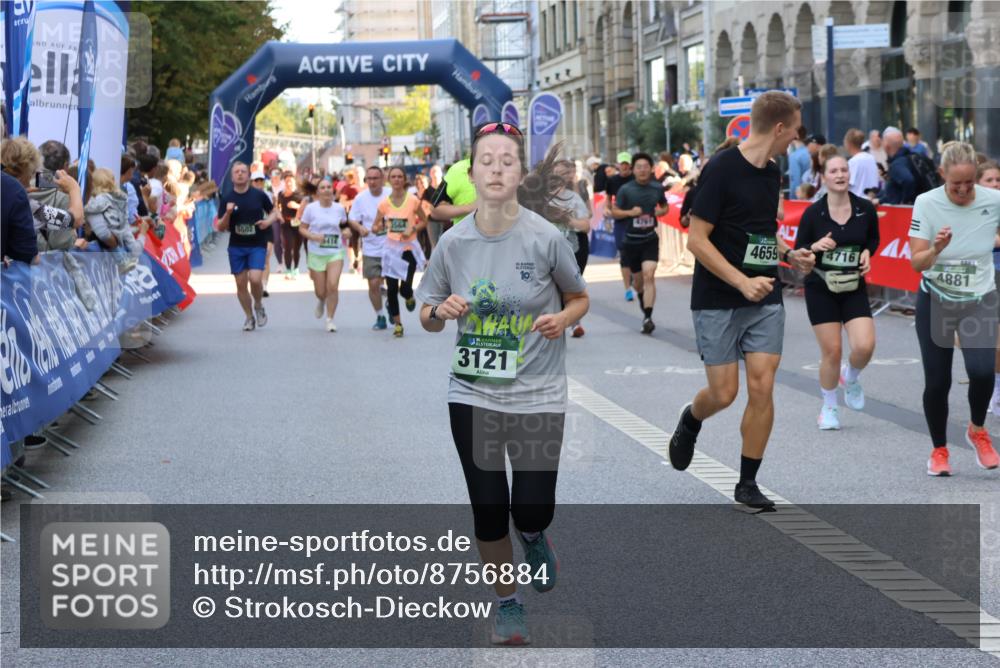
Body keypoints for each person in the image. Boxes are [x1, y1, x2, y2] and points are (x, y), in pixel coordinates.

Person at [415, 121, 589, 646]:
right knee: (488, 507)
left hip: (537, 392)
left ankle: (533, 534)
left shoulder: (545, 237)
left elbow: (578, 297)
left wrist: (564, 318)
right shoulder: (454, 243)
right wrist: (439, 311)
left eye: (506, 160)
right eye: (485, 160)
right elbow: (425, 312)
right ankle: (507, 603)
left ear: (519, 173)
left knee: (532, 507)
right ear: (472, 171)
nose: (495, 168)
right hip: (473, 392)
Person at [668, 91, 816, 511]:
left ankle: (747, 483)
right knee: (724, 393)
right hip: (718, 296)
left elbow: (761, 231)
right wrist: (739, 281)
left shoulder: (772, 172)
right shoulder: (721, 169)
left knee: (762, 384)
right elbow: (696, 240)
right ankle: (691, 419)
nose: (797, 139)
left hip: (765, 296)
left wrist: (789, 254)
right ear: (780, 127)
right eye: (796, 130)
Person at [910, 141, 1000, 475]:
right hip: (936, 298)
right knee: (937, 381)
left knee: (981, 371)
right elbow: (916, 263)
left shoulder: (993, 200)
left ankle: (977, 429)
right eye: (955, 184)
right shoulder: (926, 203)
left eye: (969, 182)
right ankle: (939, 450)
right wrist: (936, 248)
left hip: (979, 299)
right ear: (942, 174)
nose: (963, 190)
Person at [795, 153, 880, 430]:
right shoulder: (813, 213)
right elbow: (799, 253)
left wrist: (867, 252)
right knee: (832, 351)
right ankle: (829, 406)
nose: (841, 175)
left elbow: (872, 239)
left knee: (865, 346)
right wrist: (815, 247)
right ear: (824, 177)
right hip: (821, 287)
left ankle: (851, 377)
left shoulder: (865, 209)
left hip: (853, 286)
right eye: (834, 171)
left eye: (844, 170)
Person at [216, 162, 280, 331]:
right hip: (237, 246)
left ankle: (258, 304)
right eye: (236, 172)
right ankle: (249, 316)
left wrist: (267, 221)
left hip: (257, 243)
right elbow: (220, 227)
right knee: (241, 284)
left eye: (243, 171)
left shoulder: (258, 195)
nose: (240, 174)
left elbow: (275, 212)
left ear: (248, 175)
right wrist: (228, 213)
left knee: (256, 279)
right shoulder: (227, 198)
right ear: (232, 177)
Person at [610, 152, 669, 334]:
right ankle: (645, 311)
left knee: (649, 275)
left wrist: (659, 213)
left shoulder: (657, 188)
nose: (642, 170)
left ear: (651, 169)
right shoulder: (626, 190)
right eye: (639, 167)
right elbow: (615, 212)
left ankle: (649, 317)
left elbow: (664, 206)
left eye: (645, 167)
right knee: (638, 283)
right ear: (634, 170)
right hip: (631, 241)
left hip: (650, 238)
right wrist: (630, 213)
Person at [372, 166, 428, 338]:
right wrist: (378, 227)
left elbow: (424, 221)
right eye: (393, 177)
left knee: (404, 287)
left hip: (408, 248)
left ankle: (409, 295)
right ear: (389, 180)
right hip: (391, 250)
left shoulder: (412, 201)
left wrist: (412, 229)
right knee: (391, 289)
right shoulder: (384, 204)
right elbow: (375, 225)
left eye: (399, 177)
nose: (396, 179)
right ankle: (398, 324)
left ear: (404, 180)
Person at [300, 178, 349, 332]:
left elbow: (344, 226)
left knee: (333, 286)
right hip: (316, 252)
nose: (327, 190)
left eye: (329, 187)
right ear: (318, 192)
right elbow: (302, 228)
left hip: (335, 252)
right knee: (321, 291)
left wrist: (346, 232)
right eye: (323, 188)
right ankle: (321, 300)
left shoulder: (339, 208)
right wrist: (313, 236)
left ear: (332, 191)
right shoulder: (311, 209)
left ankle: (330, 319)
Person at [551, 158, 592, 337]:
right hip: (548, 251)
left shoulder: (574, 197)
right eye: (557, 173)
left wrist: (566, 219)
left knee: (571, 287)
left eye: (564, 173)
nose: (560, 177)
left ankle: (572, 322)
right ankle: (557, 321)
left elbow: (585, 225)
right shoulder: (538, 198)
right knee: (553, 288)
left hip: (574, 248)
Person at [346, 165, 390, 330]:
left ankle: (391, 304)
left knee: (391, 283)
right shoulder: (360, 198)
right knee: (373, 284)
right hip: (371, 247)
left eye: (375, 178)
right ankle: (380, 316)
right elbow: (352, 219)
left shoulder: (390, 195)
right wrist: (360, 228)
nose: (372, 182)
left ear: (382, 179)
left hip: (391, 247)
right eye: (369, 179)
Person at [84, 168, 144, 273]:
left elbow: (92, 208)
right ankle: (131, 258)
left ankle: (123, 262)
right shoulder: (120, 197)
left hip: (110, 230)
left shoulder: (101, 198)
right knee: (127, 244)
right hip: (121, 228)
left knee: (114, 248)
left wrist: (83, 207)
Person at [605, 152, 636, 301]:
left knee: (635, 253)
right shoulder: (612, 180)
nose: (624, 166)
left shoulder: (636, 178)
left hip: (635, 219)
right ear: (618, 164)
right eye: (621, 163)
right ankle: (627, 289)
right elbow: (608, 199)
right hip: (620, 220)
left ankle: (635, 277)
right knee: (624, 253)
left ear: (630, 164)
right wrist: (607, 210)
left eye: (626, 163)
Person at [1, 171, 39, 265]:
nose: (32, 177)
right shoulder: (15, 192)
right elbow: (69, 220)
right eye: (32, 172)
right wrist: (73, 190)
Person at [879, 127, 917, 205]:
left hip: (903, 212)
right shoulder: (911, 157)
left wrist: (905, 202)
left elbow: (908, 180)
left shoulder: (897, 164)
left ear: (886, 145)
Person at [276, 172, 303, 278]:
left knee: (296, 247)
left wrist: (296, 206)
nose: (288, 184)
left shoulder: (299, 195)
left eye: (290, 182)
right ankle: (288, 269)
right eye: (286, 182)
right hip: (286, 224)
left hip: (298, 223)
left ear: (294, 183)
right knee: (288, 246)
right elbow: (277, 207)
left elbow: (306, 208)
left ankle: (296, 269)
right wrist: (279, 216)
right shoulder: (281, 195)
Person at [844, 128, 880, 197]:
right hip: (869, 202)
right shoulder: (871, 158)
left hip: (856, 202)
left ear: (849, 143)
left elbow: (846, 185)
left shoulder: (852, 162)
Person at [787, 126, 811, 199]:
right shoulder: (810, 152)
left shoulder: (794, 156)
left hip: (801, 199)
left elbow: (795, 182)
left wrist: (792, 200)